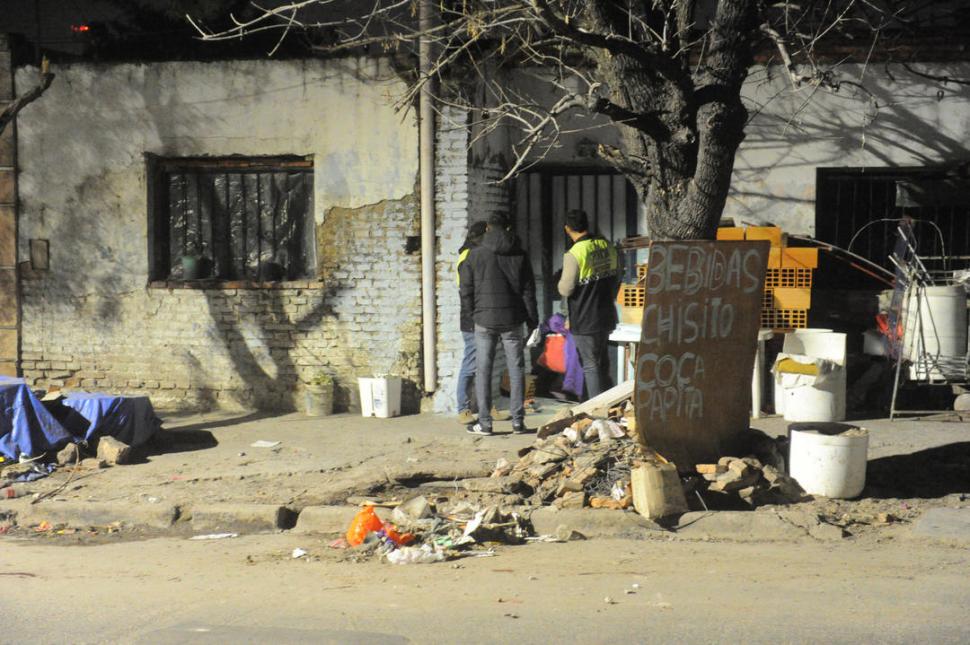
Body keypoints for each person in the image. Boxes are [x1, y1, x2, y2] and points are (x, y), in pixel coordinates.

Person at [459, 213, 538, 436]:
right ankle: (518, 423)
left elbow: (465, 290)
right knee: (516, 369)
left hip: (483, 321)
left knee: (483, 370)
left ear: (487, 229)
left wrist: (472, 315)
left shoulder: (474, 255)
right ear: (509, 227)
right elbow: (528, 292)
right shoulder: (520, 254)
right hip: (513, 320)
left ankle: (484, 423)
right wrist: (533, 322)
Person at [557, 209, 620, 400]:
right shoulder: (606, 245)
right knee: (602, 362)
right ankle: (608, 404)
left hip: (585, 317)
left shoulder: (575, 253)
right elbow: (617, 277)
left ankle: (597, 411)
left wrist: (558, 282)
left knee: (591, 365)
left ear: (568, 229)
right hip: (606, 314)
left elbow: (566, 289)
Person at [455, 221, 486, 424]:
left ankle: (487, 406)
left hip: (481, 316)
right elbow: (466, 291)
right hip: (472, 319)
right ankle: (463, 409)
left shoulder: (476, 254)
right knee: (471, 363)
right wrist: (474, 316)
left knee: (486, 364)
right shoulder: (468, 257)